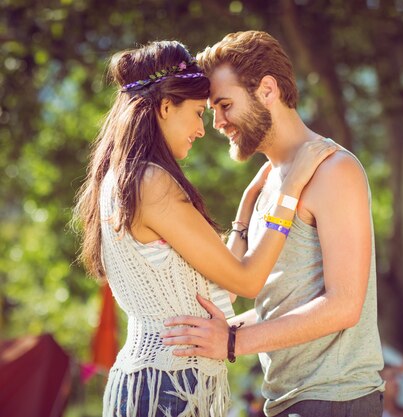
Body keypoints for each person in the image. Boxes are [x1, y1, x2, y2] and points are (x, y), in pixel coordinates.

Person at [73, 40, 336, 417]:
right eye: (198, 112)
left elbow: (224, 281)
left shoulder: (125, 178)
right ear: (166, 107)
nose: (202, 129)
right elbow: (247, 284)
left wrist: (244, 213)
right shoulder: (152, 183)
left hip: (159, 382)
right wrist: (290, 191)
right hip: (168, 386)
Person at [161, 30, 386, 417]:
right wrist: (225, 332)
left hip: (334, 398)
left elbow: (345, 305)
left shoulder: (334, 170)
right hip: (289, 400)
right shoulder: (271, 181)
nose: (217, 122)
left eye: (225, 104)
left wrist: (232, 343)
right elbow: (281, 303)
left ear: (267, 90)